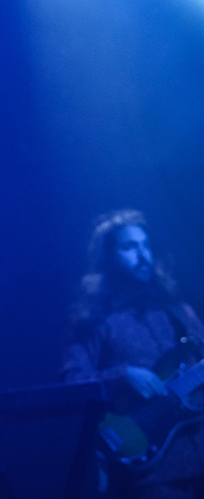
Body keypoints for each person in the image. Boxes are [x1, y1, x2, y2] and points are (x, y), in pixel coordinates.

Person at [63, 210, 204, 498]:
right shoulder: (93, 321)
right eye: (129, 247)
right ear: (107, 258)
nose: (142, 255)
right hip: (152, 474)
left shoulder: (178, 311)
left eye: (145, 245)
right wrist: (122, 376)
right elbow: (72, 382)